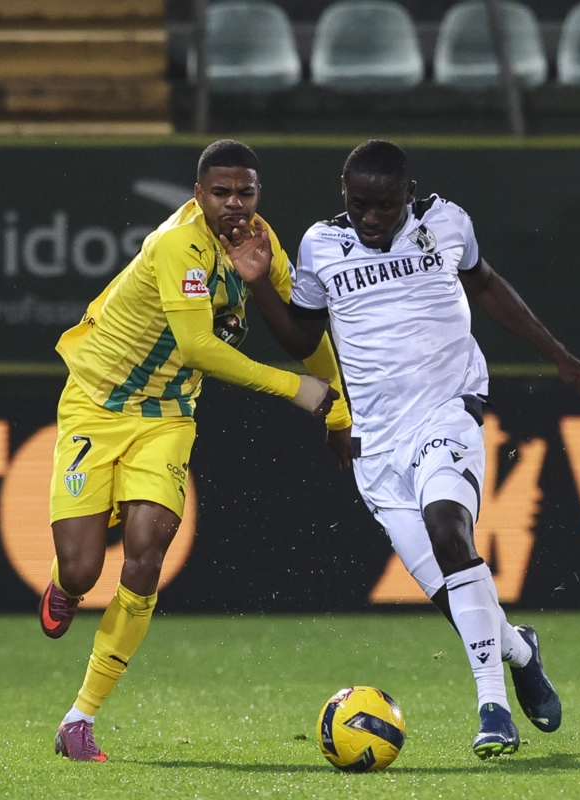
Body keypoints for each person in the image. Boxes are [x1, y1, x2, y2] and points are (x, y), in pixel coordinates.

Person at [235, 139, 580, 759]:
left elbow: (488, 287)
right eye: (359, 204)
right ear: (344, 195)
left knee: (449, 527)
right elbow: (304, 335)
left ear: (407, 196)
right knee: (450, 592)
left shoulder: (446, 223)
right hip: (377, 441)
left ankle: (493, 707)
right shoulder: (319, 246)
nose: (371, 217)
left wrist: (559, 356)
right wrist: (258, 286)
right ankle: (519, 649)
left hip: (449, 409)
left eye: (384, 206)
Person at [40, 139, 351, 762]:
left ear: (258, 193)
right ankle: (65, 586)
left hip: (167, 417)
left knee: (146, 556)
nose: (236, 205)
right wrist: (298, 392)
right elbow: (199, 346)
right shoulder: (177, 244)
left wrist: (338, 402)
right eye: (221, 193)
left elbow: (303, 328)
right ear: (198, 193)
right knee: (80, 569)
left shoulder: (261, 240)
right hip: (96, 407)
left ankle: (80, 717)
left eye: (246, 192)